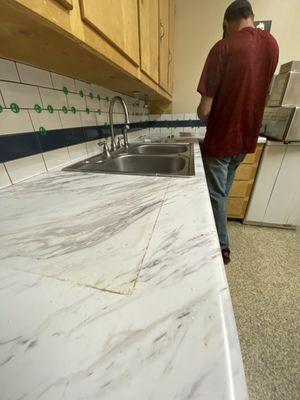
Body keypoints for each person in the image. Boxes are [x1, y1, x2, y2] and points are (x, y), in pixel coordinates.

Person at [197, 0, 279, 265]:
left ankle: (221, 247)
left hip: (221, 140)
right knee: (222, 194)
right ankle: (216, 236)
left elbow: (205, 111)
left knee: (216, 196)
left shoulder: (223, 47)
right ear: (251, 17)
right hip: (246, 139)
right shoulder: (272, 45)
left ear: (226, 23)